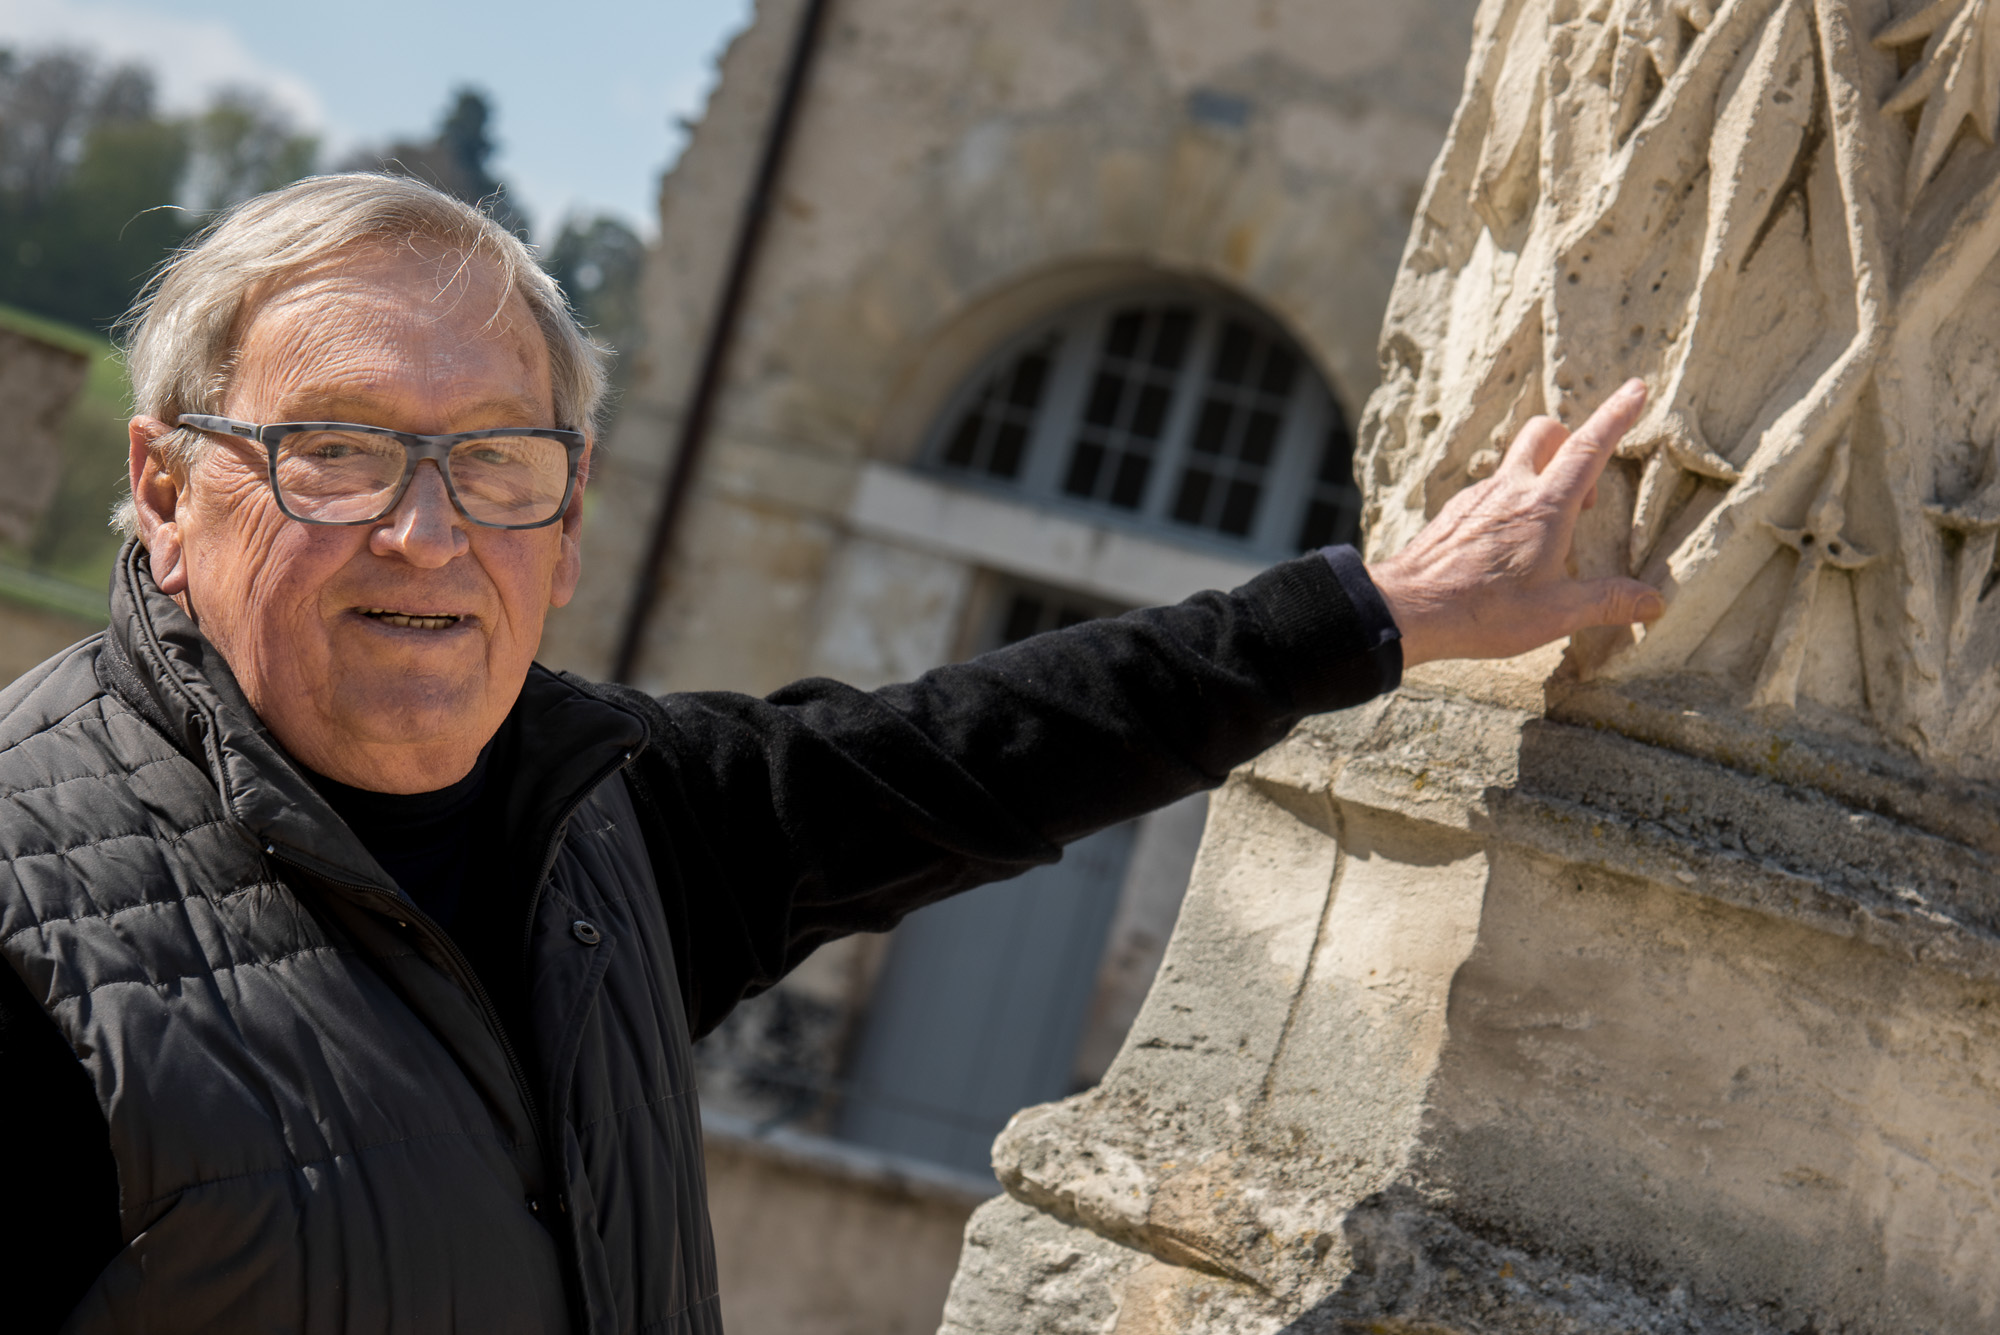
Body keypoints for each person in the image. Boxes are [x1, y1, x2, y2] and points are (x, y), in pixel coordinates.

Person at [0, 174, 1662, 1335]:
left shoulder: (613, 826)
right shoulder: (31, 916)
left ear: (567, 524)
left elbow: (977, 752)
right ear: (162, 488)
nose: (428, 535)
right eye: (339, 453)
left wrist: (1388, 608)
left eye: (497, 467)